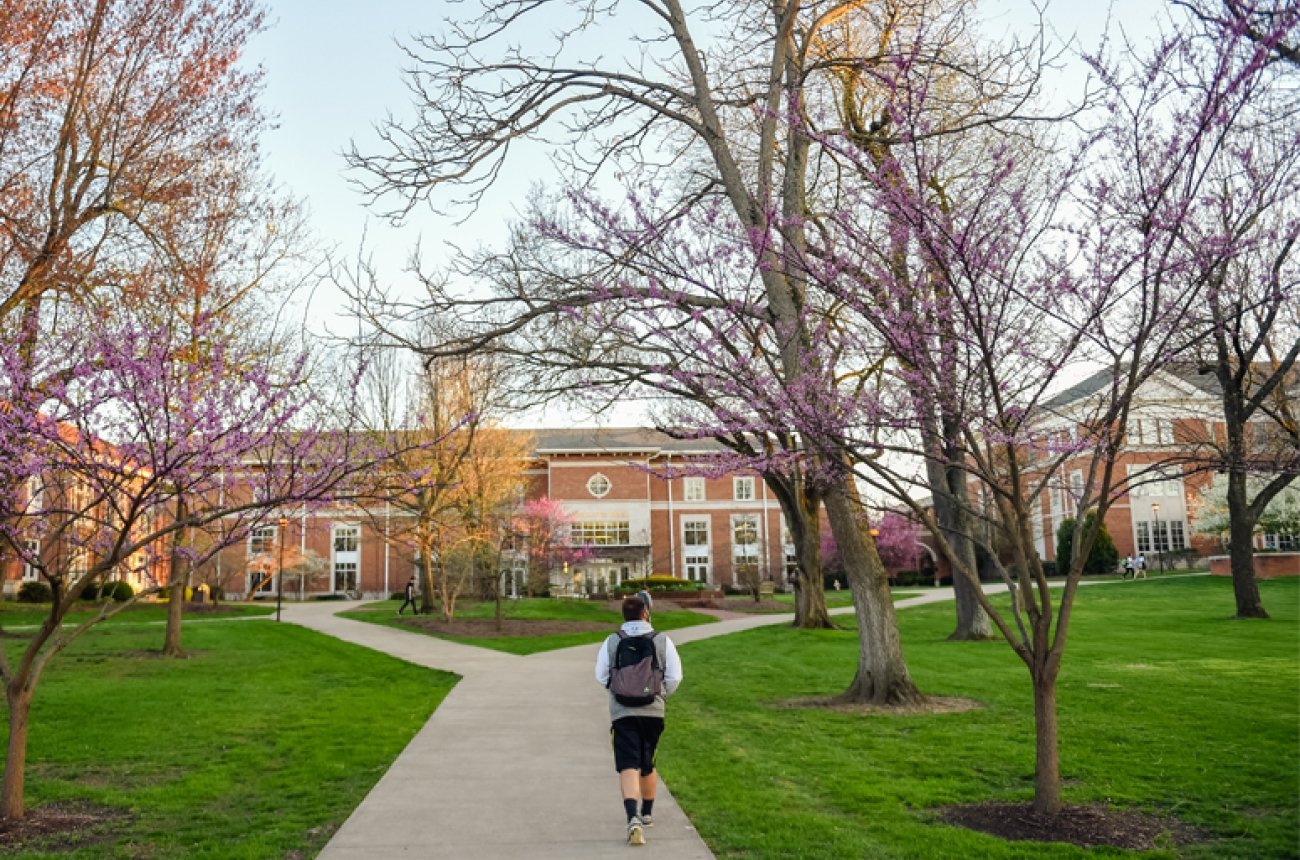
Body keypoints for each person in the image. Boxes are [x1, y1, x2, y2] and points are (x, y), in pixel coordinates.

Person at [595, 595, 682, 846]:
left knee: (628, 764)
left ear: (624, 615)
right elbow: (675, 677)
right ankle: (647, 813)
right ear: (646, 613)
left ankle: (632, 817)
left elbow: (601, 675)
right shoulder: (662, 640)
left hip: (622, 713)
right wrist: (659, 693)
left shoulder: (613, 641)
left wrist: (618, 689)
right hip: (653, 711)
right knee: (648, 761)